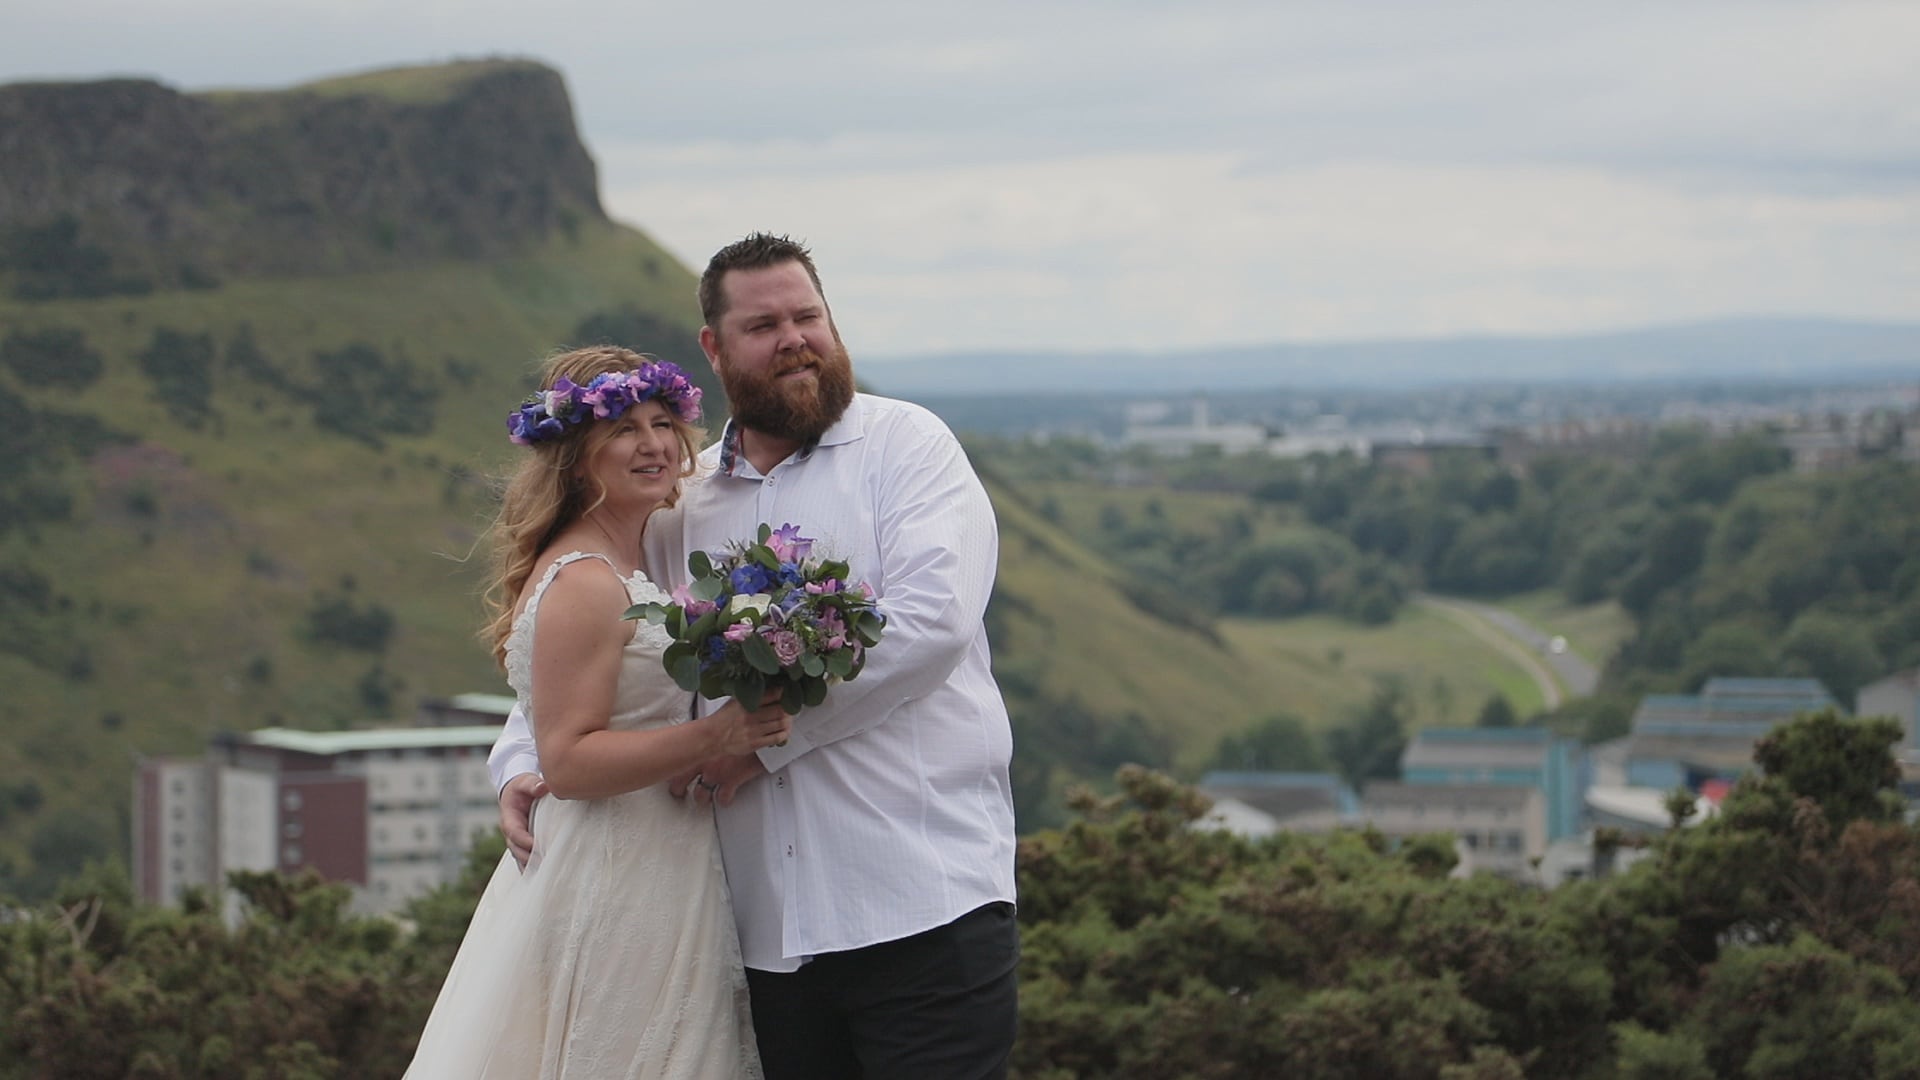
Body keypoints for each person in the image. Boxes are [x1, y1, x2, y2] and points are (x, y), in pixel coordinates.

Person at [490, 233, 1020, 1079]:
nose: (794, 339)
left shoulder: (907, 447)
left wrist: (762, 741)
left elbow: (931, 626)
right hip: (755, 936)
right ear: (716, 348)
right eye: (764, 324)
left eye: (808, 316)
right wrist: (520, 761)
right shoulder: (678, 501)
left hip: (922, 906)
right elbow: (600, 642)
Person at [407, 347, 791, 1079]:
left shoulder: (627, 562)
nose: (653, 445)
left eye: (662, 422)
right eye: (624, 429)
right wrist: (718, 734)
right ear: (578, 457)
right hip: (616, 868)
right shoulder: (586, 581)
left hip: (662, 856)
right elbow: (570, 761)